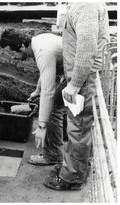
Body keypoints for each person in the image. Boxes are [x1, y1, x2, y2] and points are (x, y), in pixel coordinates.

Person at [44, 3, 109, 190]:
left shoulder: (85, 5)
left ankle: (71, 177)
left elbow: (87, 48)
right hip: (82, 78)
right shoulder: (82, 5)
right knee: (78, 128)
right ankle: (76, 168)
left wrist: (74, 84)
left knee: (77, 129)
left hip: (81, 81)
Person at [0, 29, 67, 166]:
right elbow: (47, 71)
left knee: (52, 108)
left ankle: (53, 155)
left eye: (12, 52)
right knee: (54, 106)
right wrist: (37, 90)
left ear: (22, 46)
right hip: (74, 71)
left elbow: (48, 92)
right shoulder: (38, 41)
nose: (12, 57)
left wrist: (42, 126)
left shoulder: (42, 52)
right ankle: (57, 148)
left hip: (80, 74)